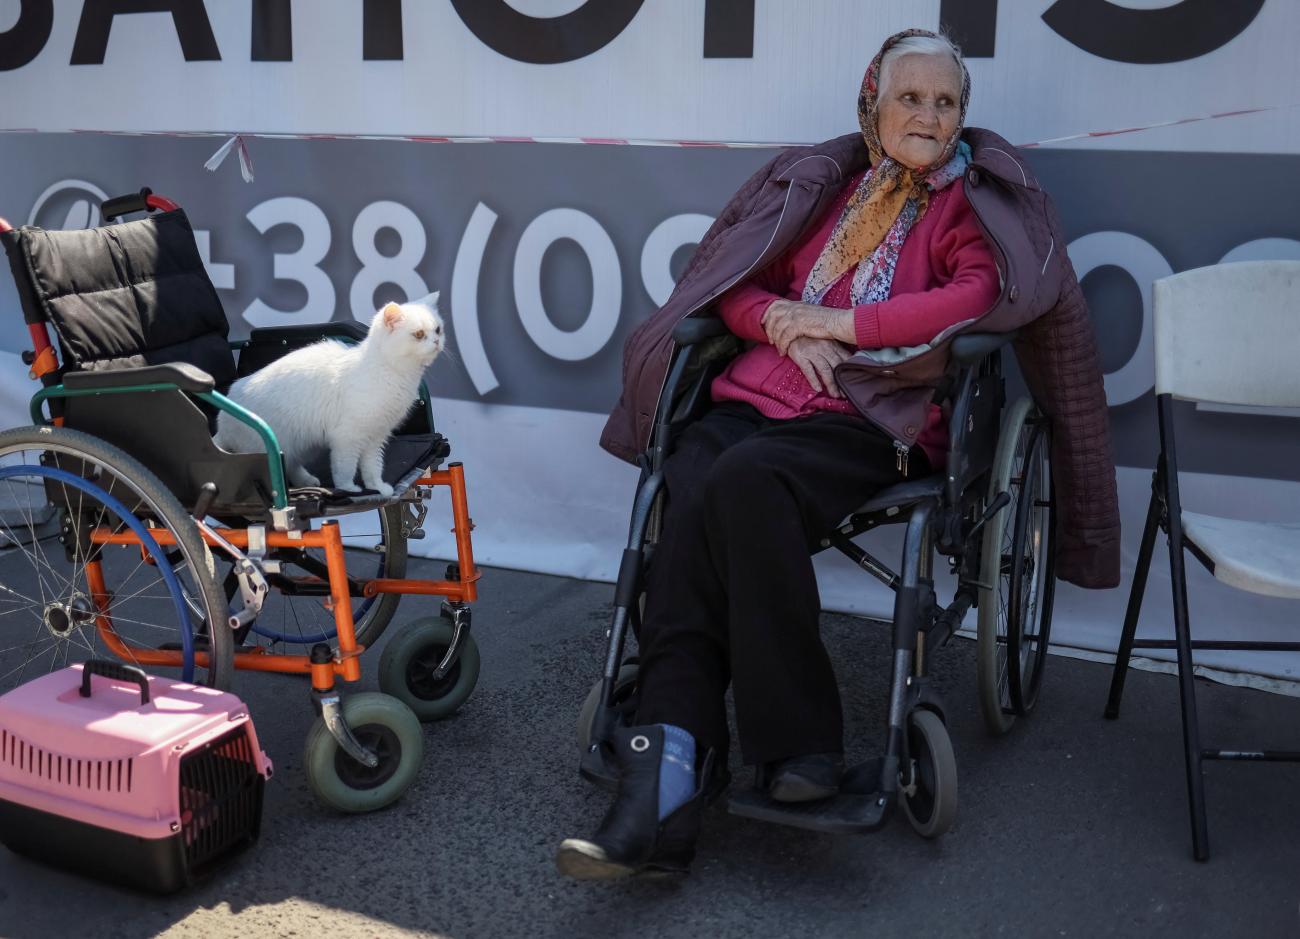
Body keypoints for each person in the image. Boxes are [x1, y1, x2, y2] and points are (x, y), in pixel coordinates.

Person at [558, 28, 1119, 880]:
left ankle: (785, 751)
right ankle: (671, 761)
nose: (929, 116)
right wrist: (780, 319)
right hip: (758, 393)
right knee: (694, 473)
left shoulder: (967, 204)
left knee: (741, 482)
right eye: (911, 98)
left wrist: (840, 325)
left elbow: (973, 295)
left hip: (870, 417)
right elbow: (734, 281)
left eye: (946, 102)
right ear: (872, 103)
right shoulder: (827, 188)